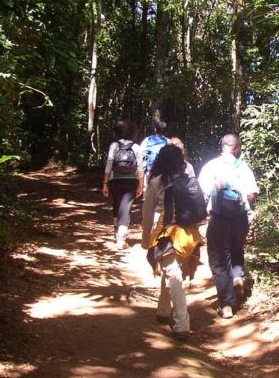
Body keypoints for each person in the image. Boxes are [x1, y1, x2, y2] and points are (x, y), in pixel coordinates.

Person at [141, 144, 204, 340]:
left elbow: (147, 212)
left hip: (166, 234)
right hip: (189, 234)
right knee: (172, 271)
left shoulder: (158, 182)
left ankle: (182, 324)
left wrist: (145, 239)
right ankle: (162, 310)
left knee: (173, 275)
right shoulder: (189, 180)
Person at [198, 134, 259, 319]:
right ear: (236, 147)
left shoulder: (211, 166)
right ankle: (238, 275)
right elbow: (252, 194)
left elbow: (203, 193)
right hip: (240, 219)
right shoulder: (243, 167)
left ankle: (226, 305)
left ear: (222, 146)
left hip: (218, 219)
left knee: (218, 259)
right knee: (236, 249)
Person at [102, 120, 144, 250]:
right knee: (125, 208)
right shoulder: (136, 147)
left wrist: (105, 183)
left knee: (117, 205)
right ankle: (121, 238)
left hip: (115, 180)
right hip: (131, 182)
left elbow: (109, 164)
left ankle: (117, 233)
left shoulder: (114, 145)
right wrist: (141, 185)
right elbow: (140, 167)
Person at [142, 120, 169, 190]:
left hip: (149, 171)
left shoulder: (148, 140)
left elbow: (140, 154)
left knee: (148, 191)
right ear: (166, 131)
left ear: (155, 129)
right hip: (163, 173)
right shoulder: (168, 142)